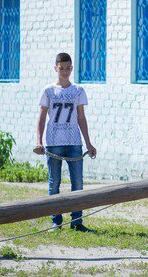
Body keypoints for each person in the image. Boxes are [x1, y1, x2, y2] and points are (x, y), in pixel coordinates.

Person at [35, 52, 97, 232]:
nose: (65, 72)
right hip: (53, 142)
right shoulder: (48, 91)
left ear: (72, 68)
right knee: (54, 183)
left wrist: (88, 143)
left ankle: (77, 221)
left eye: (68, 68)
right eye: (61, 68)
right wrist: (39, 141)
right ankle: (56, 221)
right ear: (55, 68)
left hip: (74, 142)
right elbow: (41, 117)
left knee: (77, 183)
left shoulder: (78, 90)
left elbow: (81, 118)